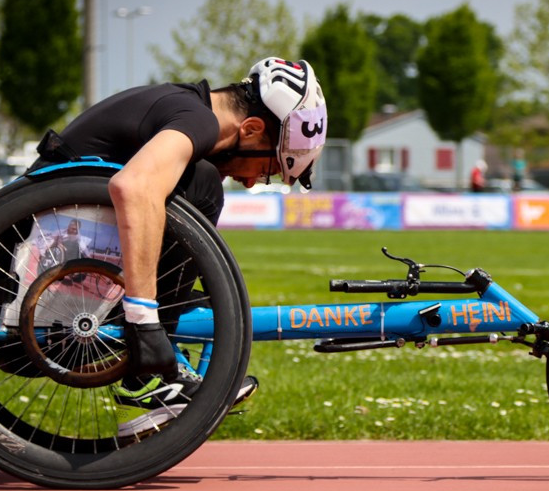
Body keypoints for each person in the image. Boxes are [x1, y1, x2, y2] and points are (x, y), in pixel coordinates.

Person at [29, 57, 327, 435]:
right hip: (36, 294)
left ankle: (158, 366)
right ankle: (147, 376)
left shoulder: (184, 108)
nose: (252, 183)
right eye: (267, 169)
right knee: (202, 185)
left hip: (46, 270)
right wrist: (144, 320)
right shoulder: (196, 119)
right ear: (251, 128)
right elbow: (133, 187)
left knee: (198, 285)